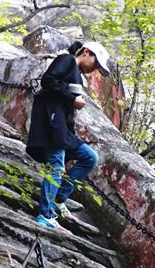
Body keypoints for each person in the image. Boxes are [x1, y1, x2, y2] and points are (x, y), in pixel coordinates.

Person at [25, 39, 110, 230]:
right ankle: (45, 214)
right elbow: (48, 80)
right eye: (95, 64)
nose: (94, 69)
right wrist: (73, 99)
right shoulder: (67, 60)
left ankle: (58, 198)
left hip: (63, 128)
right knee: (56, 163)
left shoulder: (76, 74)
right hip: (52, 122)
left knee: (89, 157)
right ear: (86, 52)